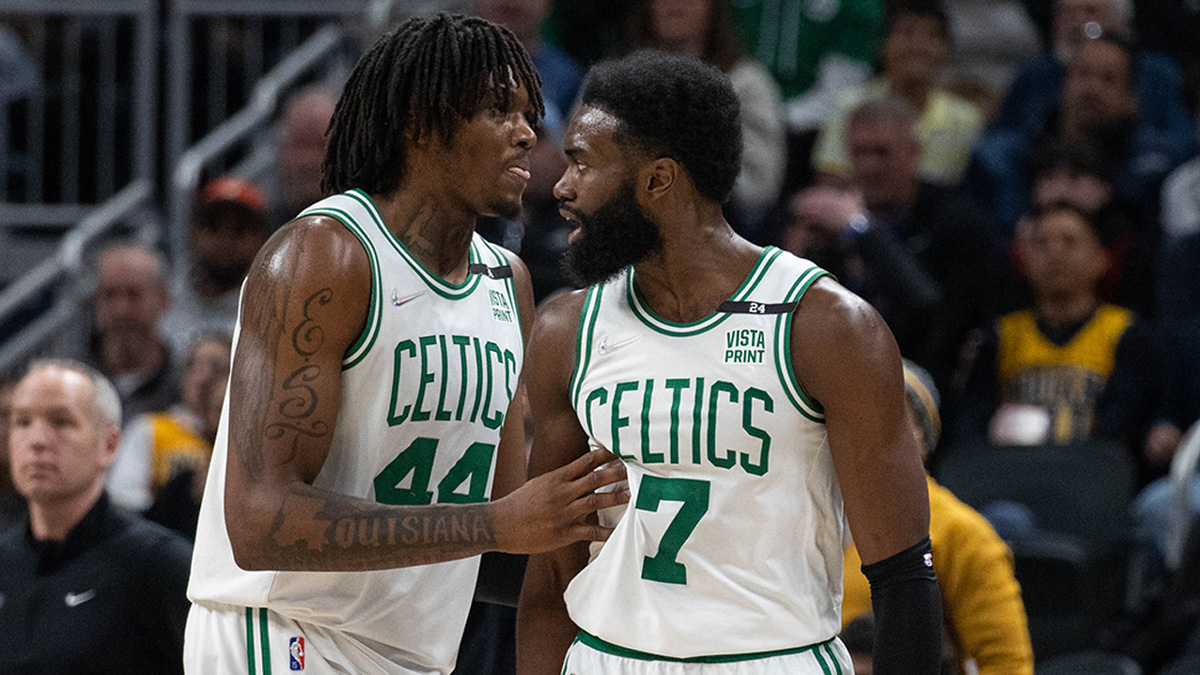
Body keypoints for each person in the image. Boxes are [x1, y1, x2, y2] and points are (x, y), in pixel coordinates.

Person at [184, 14, 629, 675]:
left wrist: (602, 545)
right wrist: (496, 523)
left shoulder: (507, 282)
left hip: (408, 653)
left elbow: (498, 542)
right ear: (421, 126)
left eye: (530, 114)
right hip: (281, 633)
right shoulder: (324, 255)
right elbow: (259, 520)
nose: (528, 134)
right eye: (497, 110)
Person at [516, 50, 941, 674]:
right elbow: (551, 575)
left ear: (658, 180)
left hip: (771, 658)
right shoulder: (566, 329)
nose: (560, 186)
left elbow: (903, 575)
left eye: (582, 162)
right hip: (609, 657)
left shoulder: (824, 326)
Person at [785, 99, 1003, 396]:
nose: (869, 166)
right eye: (859, 153)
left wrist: (860, 230)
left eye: (882, 152)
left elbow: (930, 313)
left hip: (921, 389)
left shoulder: (958, 222)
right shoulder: (819, 222)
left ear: (914, 153)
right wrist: (795, 259)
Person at [841, 361, 1034, 675]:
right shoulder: (800, 512)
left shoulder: (962, 533)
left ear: (923, 437)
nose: (869, 431)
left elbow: (1006, 664)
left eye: (891, 418)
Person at [0, 359, 192, 674]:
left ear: (109, 444)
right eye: (22, 422)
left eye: (60, 422)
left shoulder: (159, 564)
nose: (36, 441)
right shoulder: (5, 560)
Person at [967, 32, 1194, 235]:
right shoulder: (1006, 154)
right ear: (1063, 84)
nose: (1091, 88)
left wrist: (1108, 208)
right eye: (1082, 74)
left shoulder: (1161, 163)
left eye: (1108, 79)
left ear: (1132, 99)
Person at [955, 206, 1144, 447]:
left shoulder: (1126, 332)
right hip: (1012, 472)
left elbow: (1124, 425)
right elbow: (973, 421)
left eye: (1070, 242)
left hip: (1094, 473)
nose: (1055, 253)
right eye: (1041, 244)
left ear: (1101, 259)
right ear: (1024, 260)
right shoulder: (1001, 335)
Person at [626, 0, 787, 232]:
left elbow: (759, 189)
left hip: (718, 233)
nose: (673, 4)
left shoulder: (748, 83)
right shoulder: (615, 78)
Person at [813, 0, 984, 187]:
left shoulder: (966, 119)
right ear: (882, 43)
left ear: (947, 50)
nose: (919, 46)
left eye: (933, 36)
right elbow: (830, 183)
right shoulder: (848, 106)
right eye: (907, 32)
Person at [107, 333, 231, 515]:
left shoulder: (242, 446)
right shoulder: (151, 428)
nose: (202, 377)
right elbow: (124, 504)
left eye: (217, 368)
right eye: (192, 365)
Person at [160, 176, 273, 354]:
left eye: (240, 230)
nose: (225, 240)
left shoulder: (276, 311)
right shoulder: (167, 300)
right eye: (213, 227)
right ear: (193, 234)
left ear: (262, 239)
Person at [75, 242, 181, 425]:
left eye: (134, 295)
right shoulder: (73, 382)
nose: (121, 309)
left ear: (164, 299)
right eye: (109, 294)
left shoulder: (185, 386)